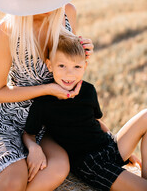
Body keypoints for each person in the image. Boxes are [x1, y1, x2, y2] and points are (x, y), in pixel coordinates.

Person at [0, 0, 94, 190]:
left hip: (51, 120)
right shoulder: (7, 31)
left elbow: (66, 68)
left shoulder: (67, 13)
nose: (47, 5)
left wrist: (82, 56)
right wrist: (47, 88)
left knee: (58, 168)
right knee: (13, 179)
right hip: (11, 120)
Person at [23, 32, 147, 191]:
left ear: (85, 67)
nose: (69, 74)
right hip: (91, 163)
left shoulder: (88, 90)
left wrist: (126, 152)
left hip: (108, 146)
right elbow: (28, 133)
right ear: (50, 65)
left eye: (77, 67)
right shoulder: (44, 102)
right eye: (62, 66)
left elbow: (96, 122)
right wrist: (34, 148)